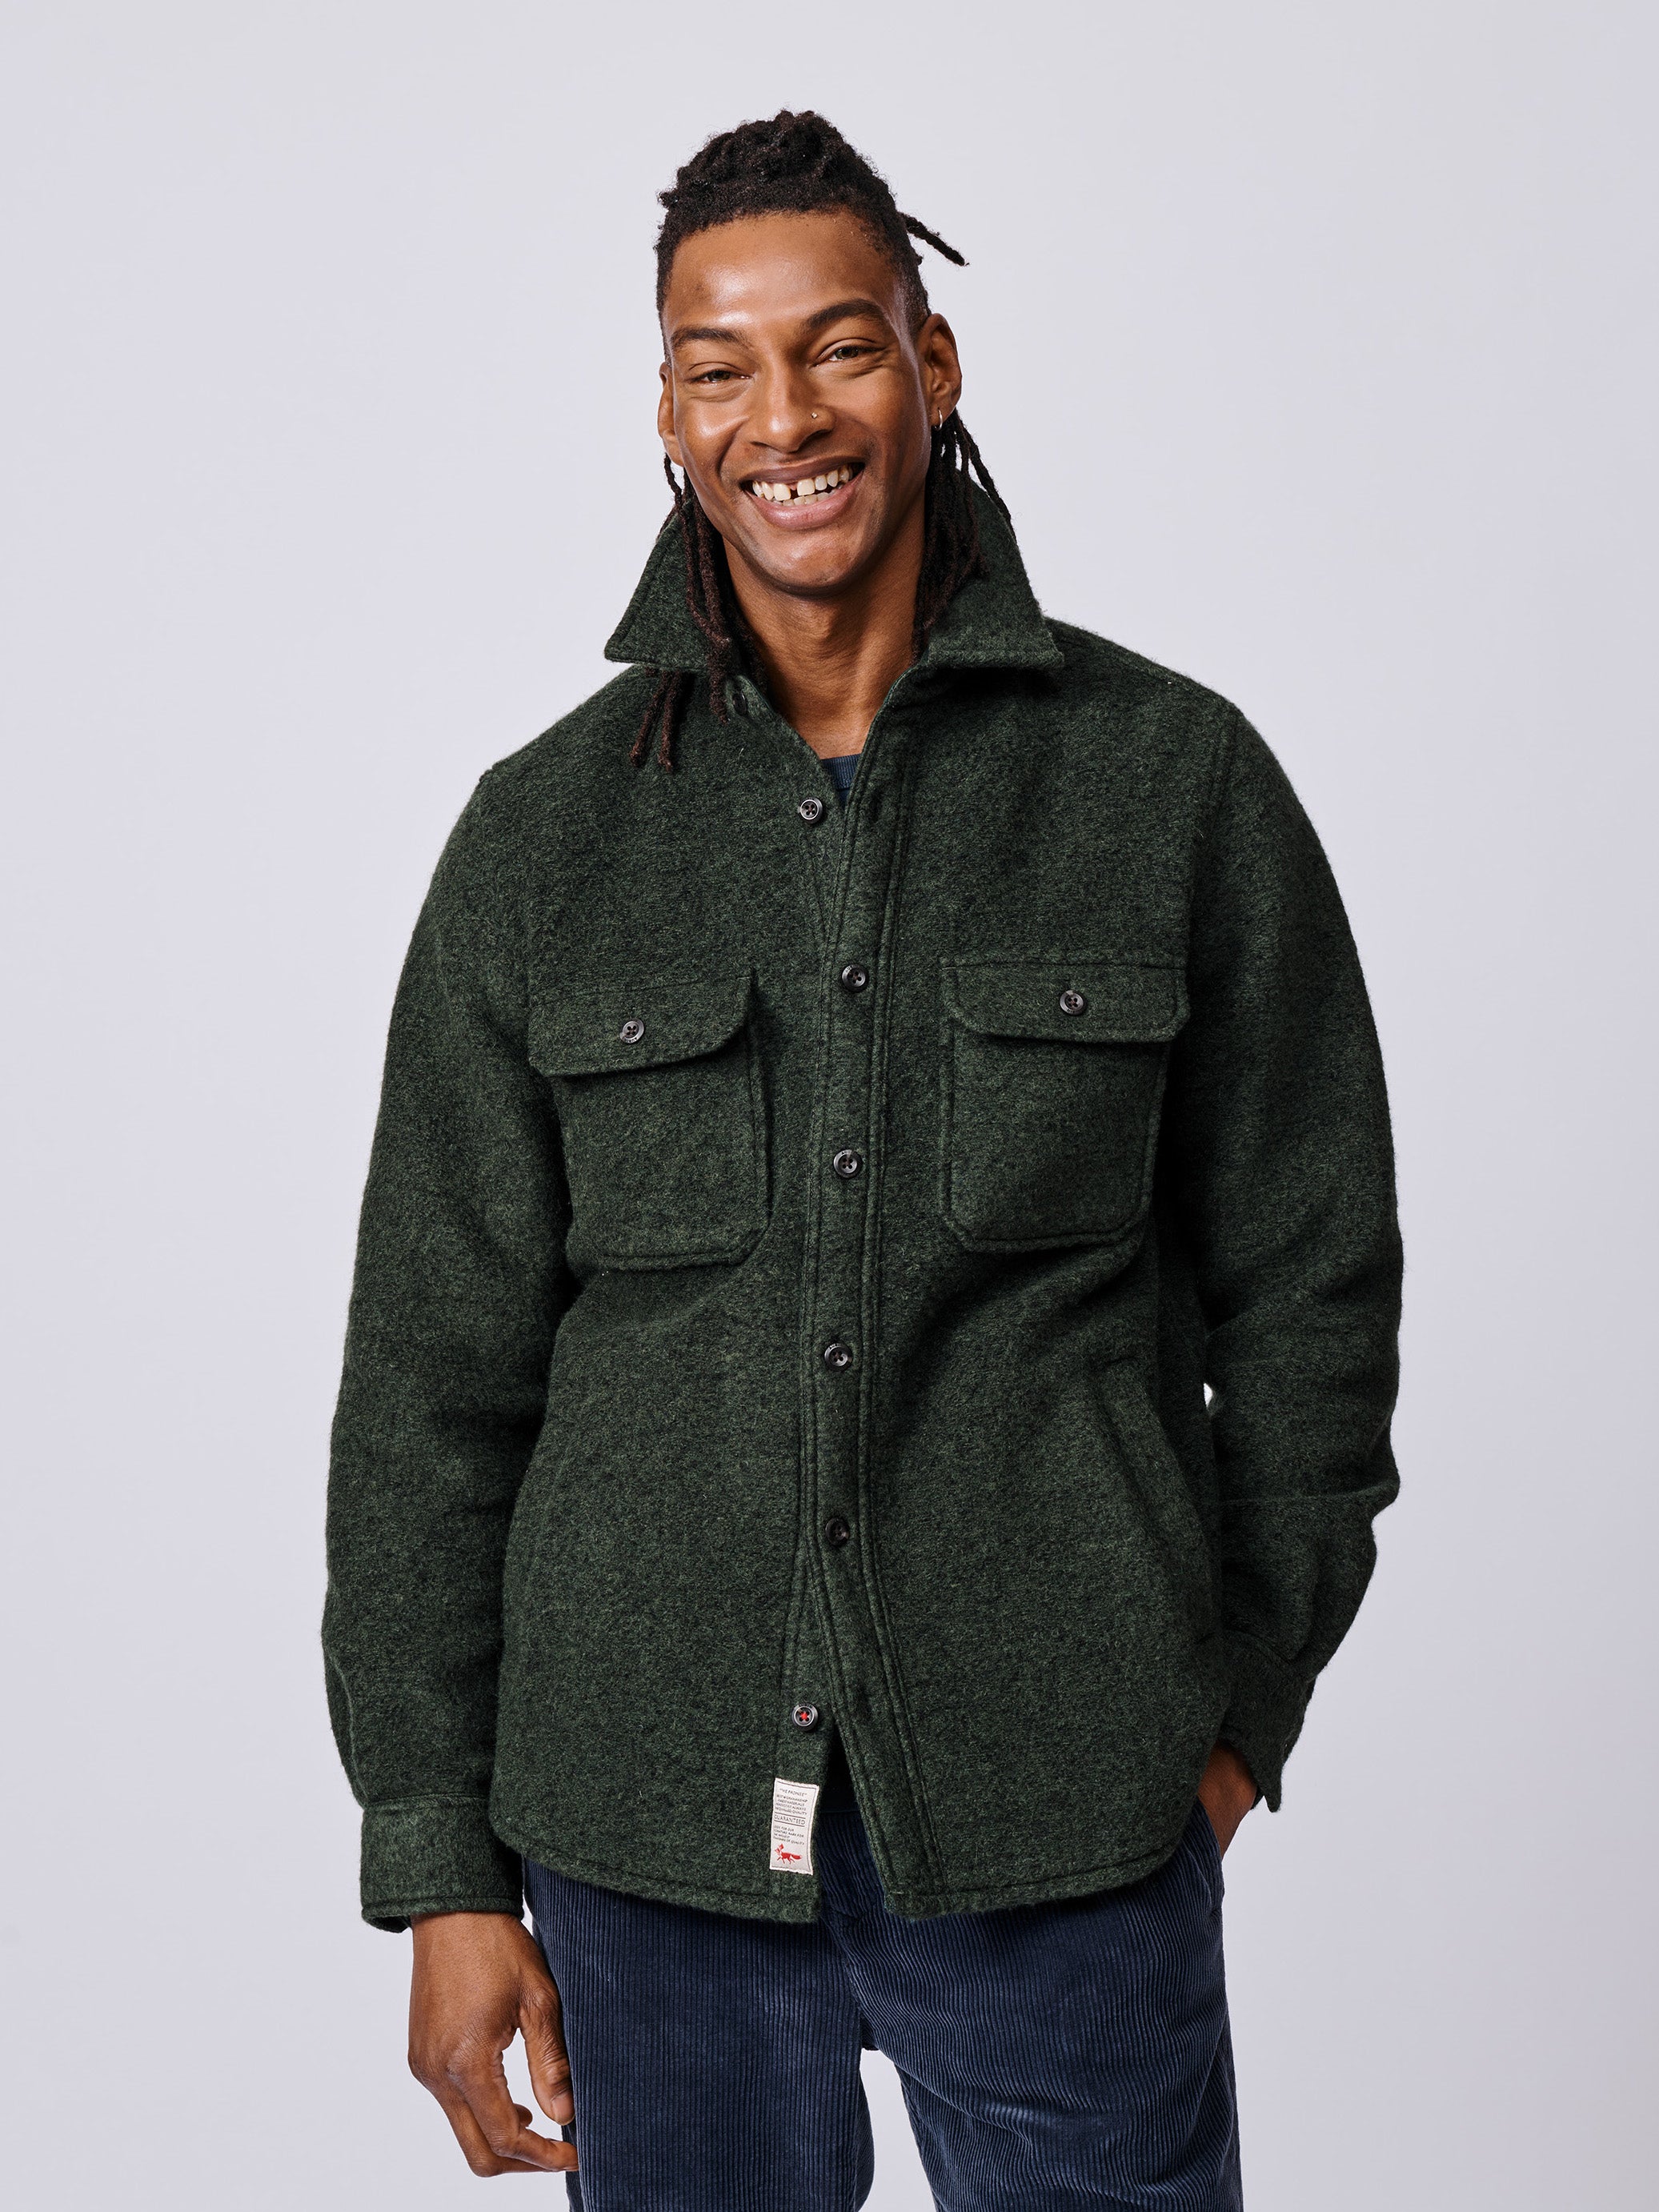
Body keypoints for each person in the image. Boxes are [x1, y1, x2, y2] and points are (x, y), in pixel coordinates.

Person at [323, 110, 1402, 2211]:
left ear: (931, 361)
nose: (784, 417)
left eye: (836, 346)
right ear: (667, 409)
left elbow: (1313, 1294)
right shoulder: (542, 840)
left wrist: (1233, 1724)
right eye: (716, 365)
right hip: (639, 1844)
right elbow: (431, 1390)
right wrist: (439, 1863)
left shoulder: (1171, 784)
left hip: (1068, 1819)